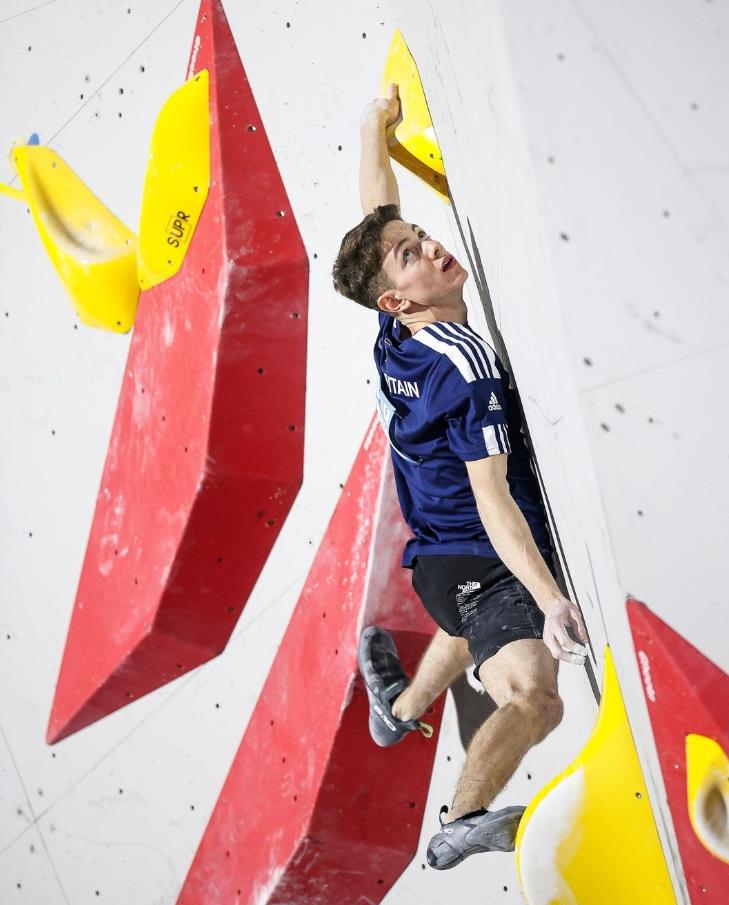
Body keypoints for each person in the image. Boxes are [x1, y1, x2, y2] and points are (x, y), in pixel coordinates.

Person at [331, 83, 588, 870]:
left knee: (466, 630)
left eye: (421, 236)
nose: (433, 248)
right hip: (478, 558)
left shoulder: (393, 329)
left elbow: (376, 214)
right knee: (535, 695)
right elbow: (493, 496)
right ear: (395, 295)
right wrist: (551, 603)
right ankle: (458, 819)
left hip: (440, 562)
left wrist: (373, 126)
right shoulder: (465, 366)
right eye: (413, 254)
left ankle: (398, 706)